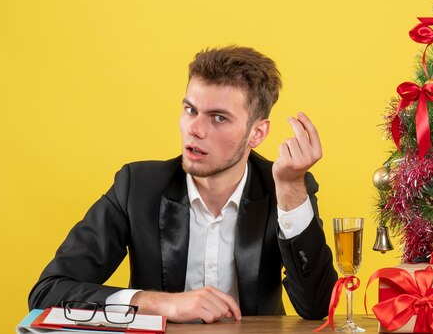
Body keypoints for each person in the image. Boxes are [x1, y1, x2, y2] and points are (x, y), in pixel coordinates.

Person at [28, 46, 338, 323]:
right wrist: (157, 303)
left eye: (218, 118)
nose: (195, 129)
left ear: (256, 133)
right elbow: (48, 292)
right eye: (190, 109)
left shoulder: (287, 188)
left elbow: (317, 307)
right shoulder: (137, 187)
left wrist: (290, 190)